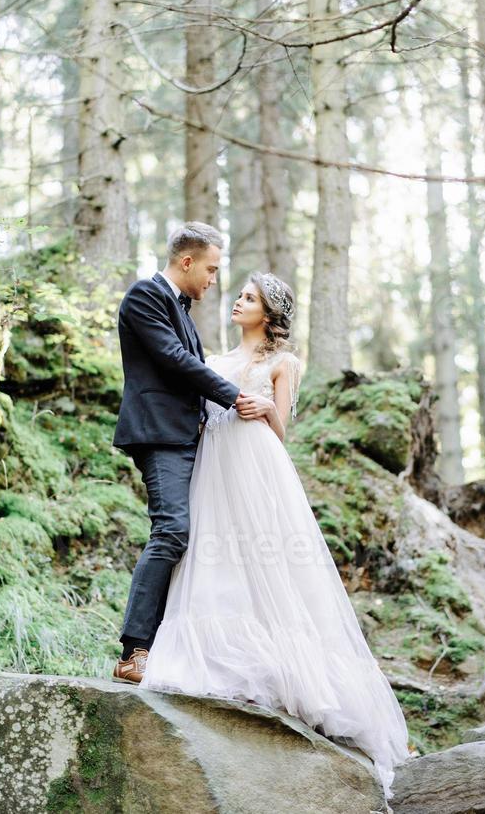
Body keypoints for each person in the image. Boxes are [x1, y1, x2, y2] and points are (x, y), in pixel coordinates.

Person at [138, 271, 411, 800]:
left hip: (257, 465)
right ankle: (209, 655)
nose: (236, 301)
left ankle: (291, 669)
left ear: (269, 312)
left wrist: (264, 408)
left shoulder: (283, 363)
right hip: (212, 466)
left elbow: (283, 430)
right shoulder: (214, 361)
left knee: (266, 560)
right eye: (238, 294)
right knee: (211, 555)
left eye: (248, 298)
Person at [111, 221, 257, 682]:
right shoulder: (144, 296)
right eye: (211, 269)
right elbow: (175, 360)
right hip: (160, 434)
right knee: (172, 530)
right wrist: (235, 395)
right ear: (187, 261)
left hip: (190, 435)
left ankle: (175, 650)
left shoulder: (182, 307)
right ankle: (134, 651)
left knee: (197, 540)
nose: (215, 280)